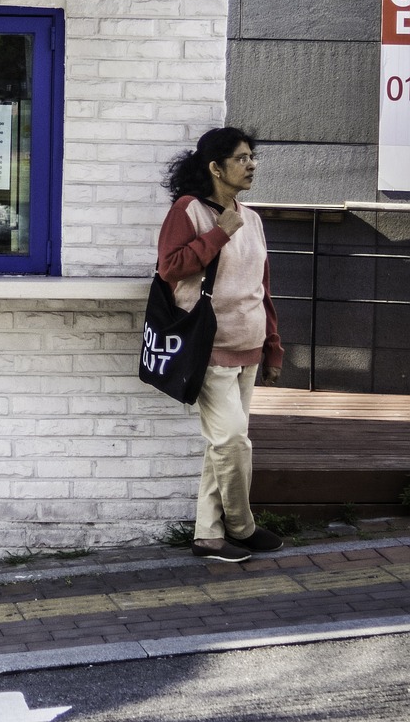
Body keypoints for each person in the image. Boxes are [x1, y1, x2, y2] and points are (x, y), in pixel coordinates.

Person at [158, 127, 285, 563]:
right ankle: (243, 526)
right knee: (232, 440)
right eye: (241, 158)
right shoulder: (188, 211)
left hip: (249, 347)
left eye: (253, 157)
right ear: (215, 167)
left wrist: (273, 345)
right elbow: (170, 268)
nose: (251, 165)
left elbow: (261, 288)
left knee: (223, 445)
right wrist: (218, 234)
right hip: (208, 348)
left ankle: (209, 537)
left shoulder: (252, 218)